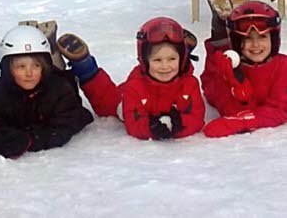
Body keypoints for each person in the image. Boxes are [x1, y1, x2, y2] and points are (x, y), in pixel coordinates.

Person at [56, 17, 205, 140]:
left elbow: (197, 118)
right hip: (127, 100)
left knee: (179, 69)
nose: (165, 66)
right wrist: (151, 128)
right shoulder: (135, 85)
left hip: (164, 99)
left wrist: (177, 124)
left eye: (172, 59)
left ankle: (184, 49)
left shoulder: (190, 84)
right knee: (106, 103)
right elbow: (134, 123)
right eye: (157, 60)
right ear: (145, 61)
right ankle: (83, 64)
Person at [0, 25, 93, 159]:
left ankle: (56, 58)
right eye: (21, 67)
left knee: (61, 75)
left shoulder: (60, 90)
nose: (29, 73)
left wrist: (31, 139)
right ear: (7, 69)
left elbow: (66, 125)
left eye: (36, 66)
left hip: (54, 84)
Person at [201, 0, 287, 138]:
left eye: (262, 37)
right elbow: (225, 106)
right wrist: (236, 84)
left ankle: (225, 29)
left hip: (250, 101)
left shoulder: (283, 67)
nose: (255, 44)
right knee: (218, 64)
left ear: (273, 40)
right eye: (247, 39)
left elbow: (279, 110)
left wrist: (242, 122)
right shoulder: (231, 66)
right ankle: (221, 32)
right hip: (219, 77)